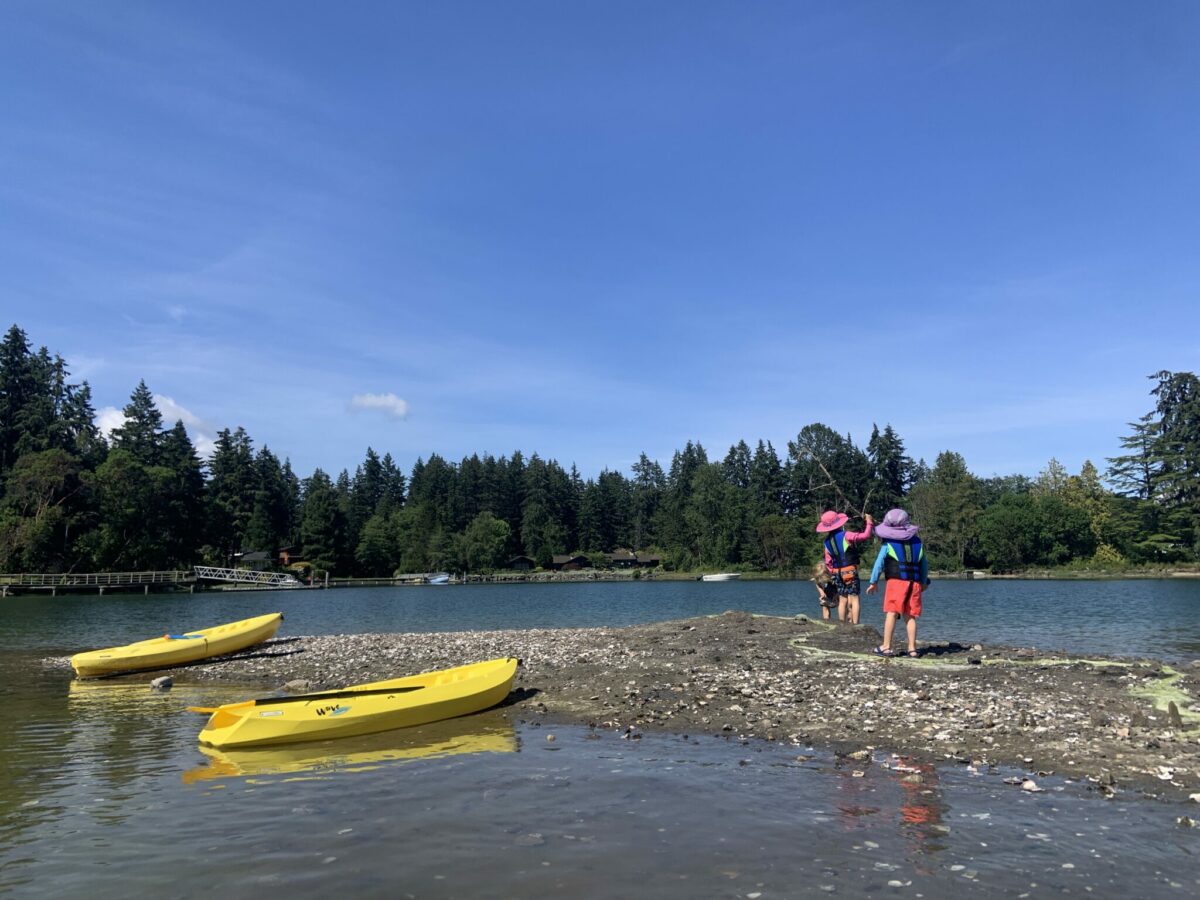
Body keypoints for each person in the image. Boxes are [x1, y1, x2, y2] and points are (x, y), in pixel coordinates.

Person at [866, 508, 929, 658]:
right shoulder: (917, 543)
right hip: (914, 583)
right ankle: (912, 649)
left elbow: (879, 563)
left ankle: (886, 646)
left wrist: (873, 581)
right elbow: (924, 564)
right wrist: (924, 581)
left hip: (896, 583)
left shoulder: (888, 544)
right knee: (910, 615)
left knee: (892, 613)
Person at [815, 509, 874, 624]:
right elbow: (865, 536)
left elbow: (828, 562)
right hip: (850, 570)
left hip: (837, 572)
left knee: (842, 599)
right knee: (855, 598)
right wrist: (869, 522)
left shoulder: (826, 542)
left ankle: (842, 624)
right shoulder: (846, 535)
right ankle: (856, 624)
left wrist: (834, 573)